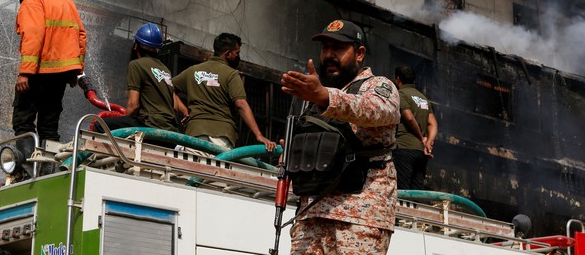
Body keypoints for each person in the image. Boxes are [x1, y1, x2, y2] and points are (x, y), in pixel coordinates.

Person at [281, 19, 400, 255]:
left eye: (338, 48)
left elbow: (372, 110)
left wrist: (325, 97)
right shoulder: (313, 97)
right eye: (325, 48)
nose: (329, 55)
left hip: (358, 219)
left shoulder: (379, 86)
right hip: (310, 216)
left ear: (359, 54)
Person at [5, 0, 86, 145]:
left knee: (23, 121)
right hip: (59, 77)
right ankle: (48, 170)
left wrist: (25, 72)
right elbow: (81, 36)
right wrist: (75, 71)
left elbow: (33, 35)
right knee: (49, 127)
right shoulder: (67, 3)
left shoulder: (32, 1)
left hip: (38, 72)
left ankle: (25, 170)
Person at [172, 32, 276, 152]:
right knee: (216, 170)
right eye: (237, 53)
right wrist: (259, 135)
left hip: (195, 134)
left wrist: (184, 110)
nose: (238, 56)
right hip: (221, 138)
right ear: (227, 53)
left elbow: (168, 87)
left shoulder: (192, 71)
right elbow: (241, 104)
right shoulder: (231, 74)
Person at [102, 22, 188, 132]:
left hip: (149, 124)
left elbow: (133, 105)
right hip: (170, 129)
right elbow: (175, 106)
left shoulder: (136, 65)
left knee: (101, 124)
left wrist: (123, 127)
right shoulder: (165, 70)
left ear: (136, 45)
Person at [393, 64, 438, 190]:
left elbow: (408, 117)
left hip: (404, 148)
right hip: (420, 153)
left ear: (397, 79)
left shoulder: (401, 94)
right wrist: (427, 143)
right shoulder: (423, 98)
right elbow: (433, 123)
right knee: (417, 190)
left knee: (403, 190)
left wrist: (421, 137)